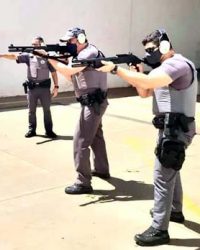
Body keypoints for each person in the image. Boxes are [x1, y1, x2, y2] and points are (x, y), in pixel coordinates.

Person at [97, 29, 197, 246]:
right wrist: (137, 72)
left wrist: (116, 69)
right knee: (171, 170)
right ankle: (174, 210)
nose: (148, 54)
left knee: (162, 176)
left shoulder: (177, 64)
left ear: (164, 46)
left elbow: (149, 82)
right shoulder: (162, 68)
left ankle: (159, 229)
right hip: (168, 129)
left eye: (151, 49)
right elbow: (144, 91)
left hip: (176, 130)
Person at [40, 27, 110, 194]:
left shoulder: (88, 54)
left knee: (80, 141)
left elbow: (69, 70)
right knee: (96, 137)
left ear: (80, 38)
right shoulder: (85, 54)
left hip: (92, 103)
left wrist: (49, 58)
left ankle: (83, 182)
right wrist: (59, 60)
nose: (67, 45)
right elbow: (73, 77)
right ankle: (101, 169)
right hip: (95, 102)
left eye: (69, 41)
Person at [0, 36, 59, 138]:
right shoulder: (29, 56)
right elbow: (14, 56)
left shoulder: (47, 57)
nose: (33, 46)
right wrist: (3, 55)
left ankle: (49, 131)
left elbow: (54, 73)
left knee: (47, 110)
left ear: (41, 45)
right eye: (32, 44)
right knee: (31, 110)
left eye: (36, 44)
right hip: (32, 88)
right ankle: (32, 130)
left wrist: (56, 86)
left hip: (44, 88)